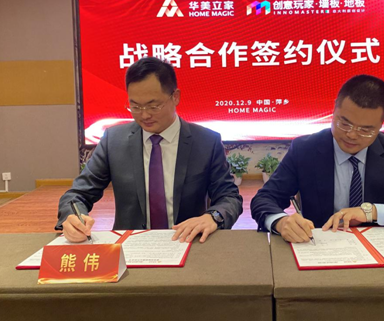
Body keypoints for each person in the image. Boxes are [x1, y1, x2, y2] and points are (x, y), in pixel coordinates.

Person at [56, 57, 243, 243]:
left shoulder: (206, 142)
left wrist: (212, 217)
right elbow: (77, 194)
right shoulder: (114, 140)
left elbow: (229, 197)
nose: (144, 115)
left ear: (175, 97)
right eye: (135, 106)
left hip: (188, 242)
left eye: (154, 106)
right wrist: (73, 217)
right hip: (130, 246)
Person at [251, 75, 384, 243]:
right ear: (334, 111)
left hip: (382, 250)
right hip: (320, 248)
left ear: (381, 125)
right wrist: (280, 222)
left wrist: (370, 212)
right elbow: (264, 199)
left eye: (365, 130)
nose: (352, 135)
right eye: (344, 123)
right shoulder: (305, 149)